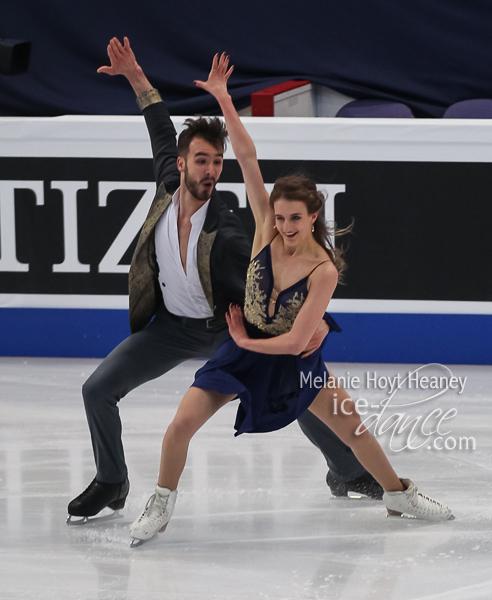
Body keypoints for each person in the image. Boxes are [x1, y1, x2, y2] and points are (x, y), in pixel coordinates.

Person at [129, 54, 453, 544]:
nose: (283, 227)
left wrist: (242, 337)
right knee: (180, 426)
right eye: (279, 217)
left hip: (290, 358)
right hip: (245, 349)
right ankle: (160, 503)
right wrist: (222, 98)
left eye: (294, 219)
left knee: (355, 431)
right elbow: (248, 158)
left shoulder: (323, 270)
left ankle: (399, 494)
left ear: (312, 216)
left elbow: (298, 341)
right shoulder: (263, 229)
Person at [67, 38, 379, 523]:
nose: (211, 171)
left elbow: (276, 275)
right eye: (202, 161)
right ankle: (112, 479)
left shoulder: (228, 228)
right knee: (96, 390)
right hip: (170, 327)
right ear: (182, 163)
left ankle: (344, 469)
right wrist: (134, 75)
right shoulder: (167, 186)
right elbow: (158, 127)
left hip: (228, 326)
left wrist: (318, 323)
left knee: (291, 384)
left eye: (217, 162)